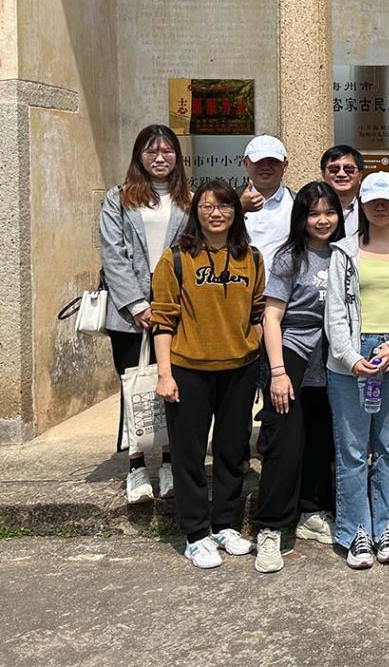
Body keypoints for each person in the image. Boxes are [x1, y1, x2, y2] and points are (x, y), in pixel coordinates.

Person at [151, 180, 266, 569]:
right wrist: (165, 374)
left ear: (236, 212)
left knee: (234, 452)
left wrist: (255, 354)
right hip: (189, 370)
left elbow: (257, 313)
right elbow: (163, 320)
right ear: (196, 211)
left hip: (239, 369)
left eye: (224, 206)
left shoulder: (251, 257)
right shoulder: (176, 259)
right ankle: (196, 533)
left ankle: (224, 524)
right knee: (189, 453)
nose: (216, 213)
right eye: (207, 206)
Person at [325, 171, 389, 569]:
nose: (380, 207)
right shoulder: (343, 252)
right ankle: (355, 531)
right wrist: (352, 358)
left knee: (388, 447)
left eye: (387, 200)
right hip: (350, 356)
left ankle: (385, 525)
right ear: (362, 206)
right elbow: (334, 312)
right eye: (372, 201)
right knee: (351, 450)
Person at [251, 181, 344, 574]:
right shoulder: (291, 256)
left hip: (334, 355)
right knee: (285, 442)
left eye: (329, 212)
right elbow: (271, 316)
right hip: (293, 352)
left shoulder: (345, 254)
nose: (322, 220)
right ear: (302, 218)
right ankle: (270, 528)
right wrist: (276, 372)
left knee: (322, 440)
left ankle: (311, 512)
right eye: (313, 213)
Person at [99, 124, 191, 504]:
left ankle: (170, 461)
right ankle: (136, 465)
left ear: (177, 156)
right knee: (134, 384)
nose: (159, 157)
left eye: (167, 150)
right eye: (151, 151)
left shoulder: (189, 199)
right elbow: (112, 254)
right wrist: (137, 304)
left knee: (174, 386)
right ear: (139, 156)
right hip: (130, 314)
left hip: (177, 311)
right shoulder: (119, 199)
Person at [240, 135, 294, 266]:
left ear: (285, 165)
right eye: (258, 161)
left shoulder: (297, 202)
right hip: (240, 282)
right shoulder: (228, 201)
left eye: (272, 161)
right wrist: (239, 208)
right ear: (246, 163)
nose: (265, 167)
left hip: (286, 284)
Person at [321, 145, 364, 239]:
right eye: (334, 169)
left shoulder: (368, 212)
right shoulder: (308, 210)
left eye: (349, 169)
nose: (341, 174)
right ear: (323, 174)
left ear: (360, 176)